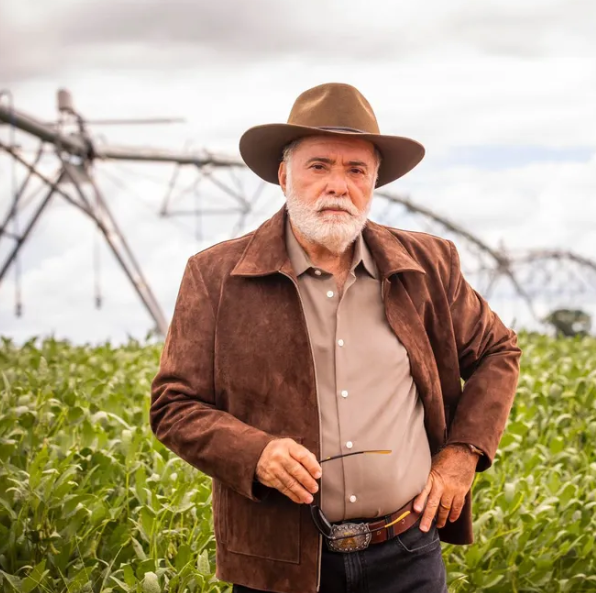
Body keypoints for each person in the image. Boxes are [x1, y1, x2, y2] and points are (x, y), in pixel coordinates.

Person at [149, 82, 521, 593]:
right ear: (284, 176)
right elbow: (174, 405)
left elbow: (499, 351)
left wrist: (463, 454)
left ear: (374, 183)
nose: (338, 186)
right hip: (279, 564)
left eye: (356, 170)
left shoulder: (430, 265)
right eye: (319, 166)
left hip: (407, 551)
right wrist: (254, 453)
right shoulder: (215, 275)